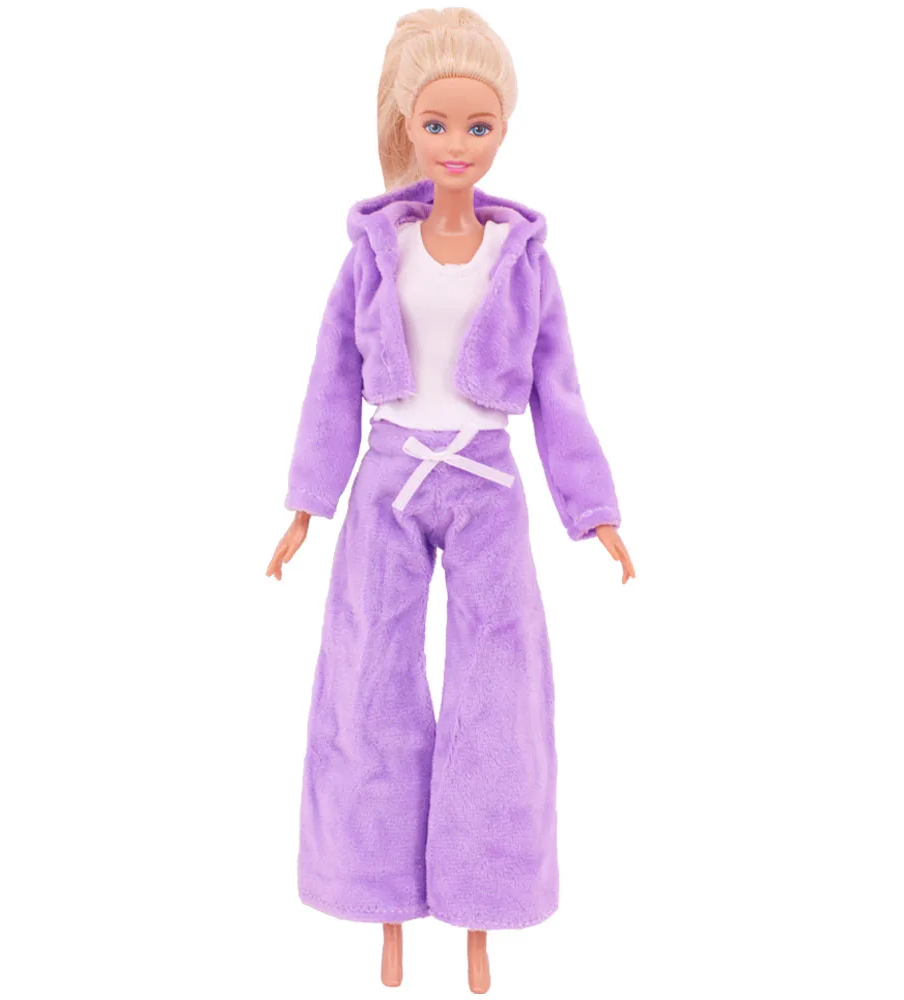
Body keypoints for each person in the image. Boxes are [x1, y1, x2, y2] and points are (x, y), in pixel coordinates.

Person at [266, 7, 635, 992]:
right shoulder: (373, 251)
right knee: (367, 681)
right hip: (387, 477)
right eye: (436, 124)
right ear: (406, 124)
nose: (458, 144)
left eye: (479, 125)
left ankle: (485, 904)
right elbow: (331, 379)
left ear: (504, 128)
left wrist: (592, 508)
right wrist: (306, 503)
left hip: (488, 483)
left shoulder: (524, 257)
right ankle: (377, 895)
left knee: (500, 694)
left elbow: (557, 387)